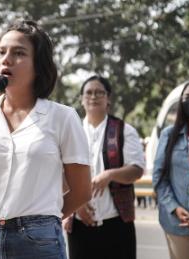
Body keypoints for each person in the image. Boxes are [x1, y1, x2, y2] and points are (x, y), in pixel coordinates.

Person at [0, 20, 92, 259]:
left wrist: (44, 220)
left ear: (38, 65)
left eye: (19, 53)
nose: (6, 59)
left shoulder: (62, 117)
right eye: (1, 52)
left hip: (39, 242)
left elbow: (82, 191)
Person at [64, 75, 145, 259]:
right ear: (82, 99)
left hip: (116, 222)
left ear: (108, 98)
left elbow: (137, 169)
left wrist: (109, 175)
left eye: (99, 92)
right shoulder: (71, 130)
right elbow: (60, 174)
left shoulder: (124, 130)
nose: (94, 96)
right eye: (89, 92)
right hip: (79, 223)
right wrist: (76, 205)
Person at [153, 79, 189, 259]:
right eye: (187, 97)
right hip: (176, 223)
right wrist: (174, 208)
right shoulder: (169, 135)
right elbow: (159, 178)